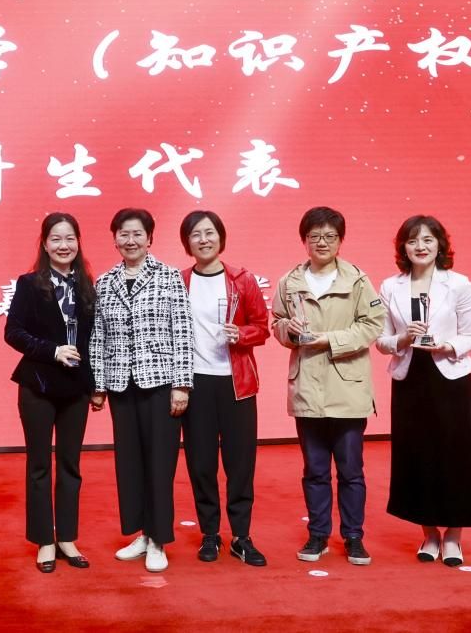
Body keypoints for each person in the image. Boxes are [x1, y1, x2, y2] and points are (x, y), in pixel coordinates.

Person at [375, 215, 471, 566]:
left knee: (456, 456)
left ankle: (454, 536)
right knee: (417, 455)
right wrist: (403, 338)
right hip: (410, 380)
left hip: (450, 379)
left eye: (428, 240)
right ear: (403, 247)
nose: (421, 246)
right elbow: (381, 340)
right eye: (413, 240)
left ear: (440, 244)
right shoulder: (390, 286)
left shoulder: (458, 284)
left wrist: (447, 346)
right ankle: (428, 535)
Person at [271, 206, 385, 567]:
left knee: (351, 471)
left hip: (347, 388)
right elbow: (277, 322)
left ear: (340, 240)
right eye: (315, 236)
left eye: (330, 236)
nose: (322, 242)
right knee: (315, 471)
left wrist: (330, 340)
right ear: (304, 240)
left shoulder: (357, 280)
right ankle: (318, 535)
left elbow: (373, 324)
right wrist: (288, 331)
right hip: (307, 387)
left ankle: (353, 537)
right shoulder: (289, 281)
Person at [89, 208, 195, 574]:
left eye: (137, 234)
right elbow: (98, 336)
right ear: (115, 239)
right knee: (130, 463)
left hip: (161, 383)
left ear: (149, 238)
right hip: (122, 385)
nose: (130, 240)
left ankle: (159, 539)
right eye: (123, 234)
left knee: (160, 463)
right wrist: (98, 385)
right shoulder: (105, 282)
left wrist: (182, 384)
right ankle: (143, 533)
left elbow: (183, 331)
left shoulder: (168, 276)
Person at [4, 212, 96, 573]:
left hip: (76, 390)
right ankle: (44, 539)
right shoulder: (29, 284)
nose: (63, 245)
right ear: (44, 244)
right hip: (38, 386)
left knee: (71, 464)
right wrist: (52, 350)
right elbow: (13, 333)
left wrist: (95, 386)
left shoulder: (87, 285)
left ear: (78, 242)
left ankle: (67, 537)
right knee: (39, 464)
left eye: (70, 238)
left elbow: (94, 340)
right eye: (56, 239)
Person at [177, 210, 270, 567]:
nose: (204, 239)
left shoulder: (242, 280)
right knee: (201, 463)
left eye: (210, 233)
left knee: (240, 463)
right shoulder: (179, 281)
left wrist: (241, 333)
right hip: (196, 383)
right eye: (196, 234)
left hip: (237, 384)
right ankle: (210, 534)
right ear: (187, 242)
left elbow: (262, 327)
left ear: (221, 237)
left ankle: (241, 537)